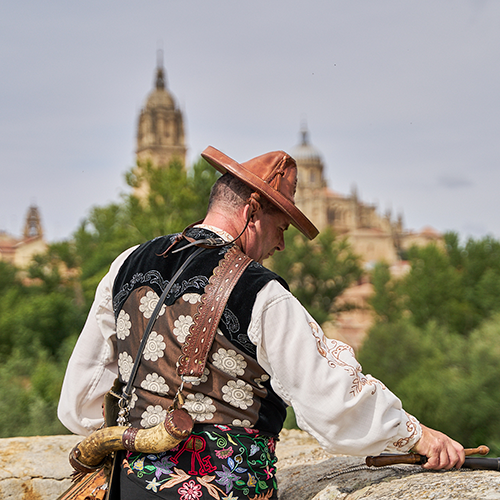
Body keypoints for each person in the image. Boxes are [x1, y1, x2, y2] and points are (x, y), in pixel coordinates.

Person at [58, 146, 464, 499]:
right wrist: (418, 435)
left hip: (129, 490)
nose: (281, 244)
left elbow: (80, 403)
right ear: (252, 209)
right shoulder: (260, 292)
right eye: (281, 227)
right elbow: (332, 401)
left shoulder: (126, 263)